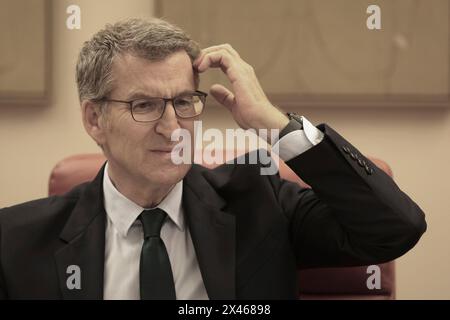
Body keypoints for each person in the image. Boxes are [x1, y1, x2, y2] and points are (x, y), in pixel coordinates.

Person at [0, 18, 426, 299]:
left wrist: (276, 126)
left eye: (185, 101)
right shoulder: (16, 241)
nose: (172, 127)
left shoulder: (258, 204)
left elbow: (395, 228)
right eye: (144, 105)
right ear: (95, 119)